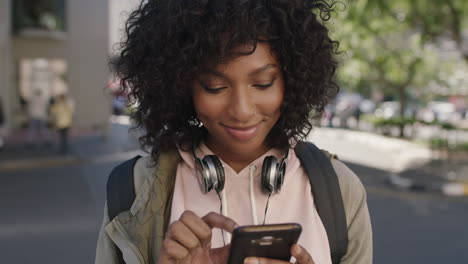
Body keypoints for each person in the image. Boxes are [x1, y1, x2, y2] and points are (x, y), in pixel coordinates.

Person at [96, 1, 372, 264]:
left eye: (263, 84)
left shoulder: (340, 190)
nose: (241, 111)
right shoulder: (132, 190)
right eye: (215, 86)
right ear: (182, 86)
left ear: (291, 79)